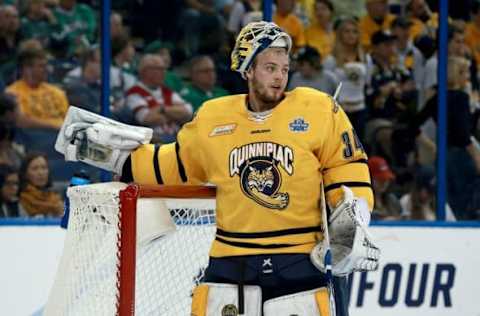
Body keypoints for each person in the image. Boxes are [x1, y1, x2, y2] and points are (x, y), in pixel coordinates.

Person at [56, 21, 379, 315]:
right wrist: (120, 159)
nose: (280, 76)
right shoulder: (215, 117)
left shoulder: (318, 108)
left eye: (284, 68)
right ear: (247, 69)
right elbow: (177, 165)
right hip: (232, 258)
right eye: (269, 67)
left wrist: (355, 214)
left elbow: (345, 165)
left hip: (298, 258)